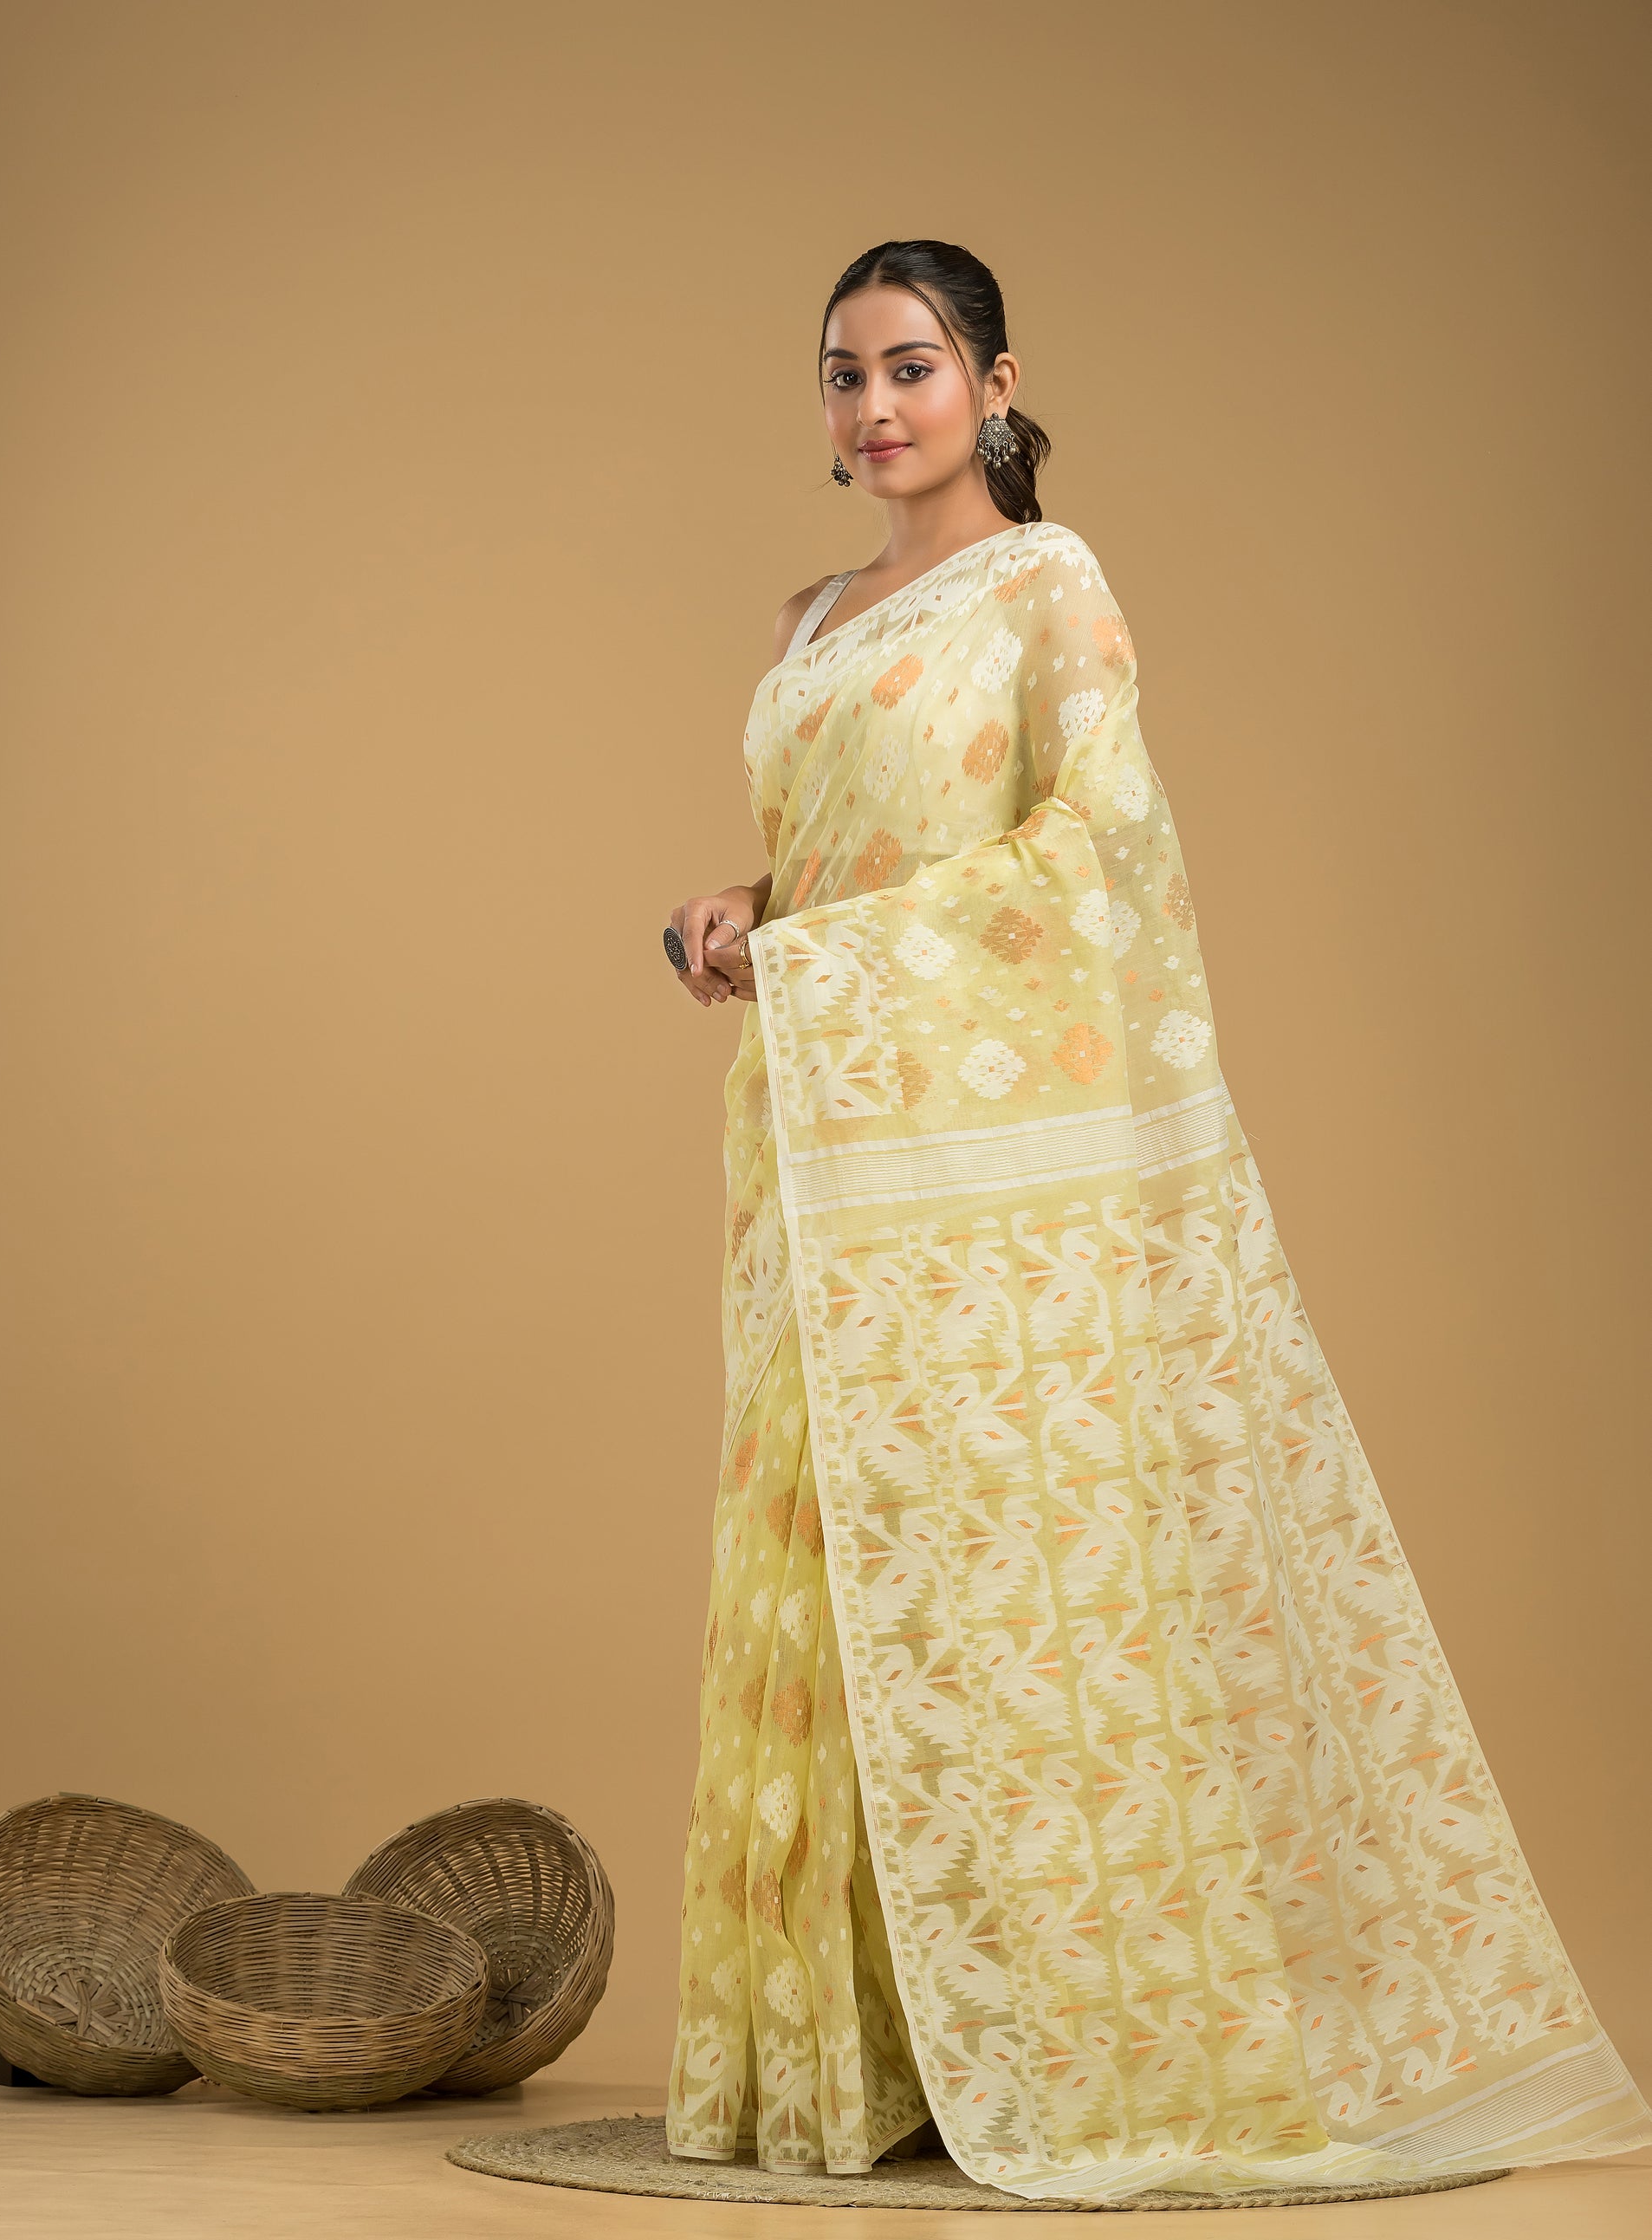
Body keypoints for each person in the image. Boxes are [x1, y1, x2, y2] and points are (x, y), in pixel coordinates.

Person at [661, 238, 1650, 2204]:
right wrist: (738, 914)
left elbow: (1089, 855)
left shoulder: (1046, 583)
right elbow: (826, 863)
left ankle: (1079, 2049)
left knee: (1006, 1587)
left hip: (988, 1181)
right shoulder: (804, 620)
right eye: (845, 373)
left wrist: (818, 952)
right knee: (832, 1578)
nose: (875, 406)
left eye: (913, 366)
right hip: (822, 1153)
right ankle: (858, 2065)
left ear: (996, 382)